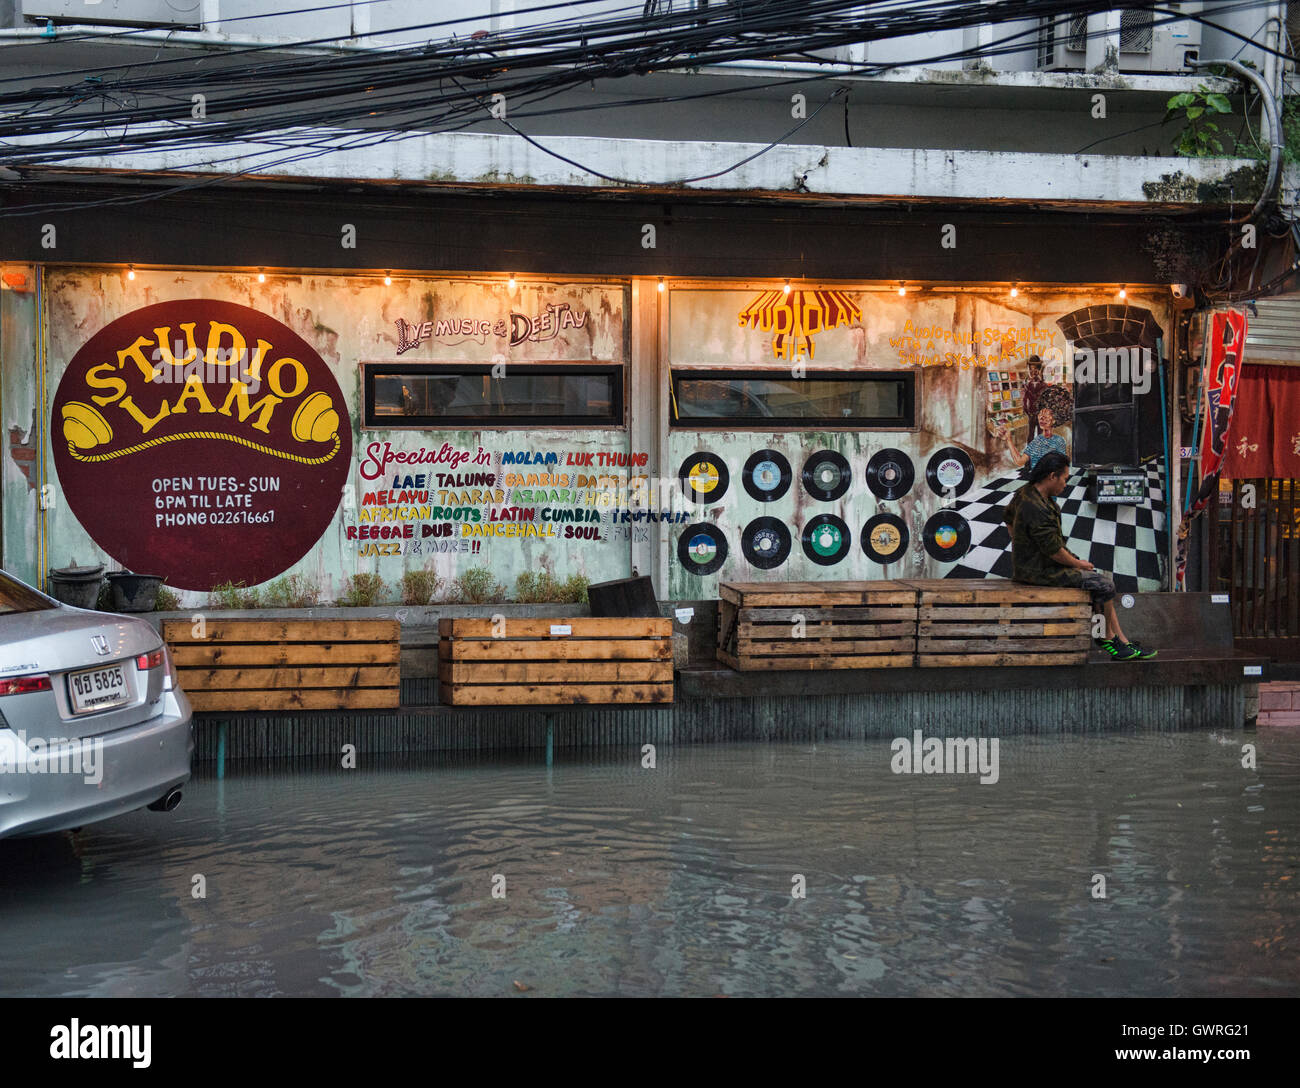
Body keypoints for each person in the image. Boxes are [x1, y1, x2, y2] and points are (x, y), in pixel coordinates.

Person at [1003, 451, 1156, 661]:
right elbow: (1054, 552)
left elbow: (1008, 519)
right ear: (1052, 476)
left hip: (1032, 565)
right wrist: (1078, 564)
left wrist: (1020, 543)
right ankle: (1106, 638)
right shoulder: (1037, 507)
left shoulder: (1025, 493)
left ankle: (1123, 641)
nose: (1065, 484)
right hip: (1039, 572)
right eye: (1064, 478)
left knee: (1098, 580)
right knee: (1103, 585)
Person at [1003, 405, 1067, 471]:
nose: (1042, 417)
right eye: (1040, 414)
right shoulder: (1036, 441)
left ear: (1054, 420)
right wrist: (1009, 440)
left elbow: (1061, 466)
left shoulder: (1059, 441)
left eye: (1046, 415)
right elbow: (1020, 462)